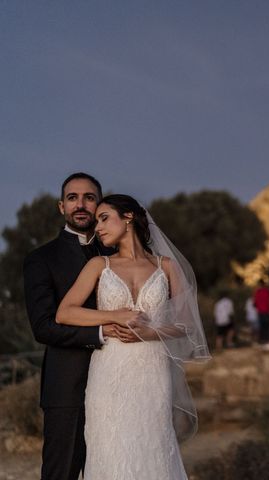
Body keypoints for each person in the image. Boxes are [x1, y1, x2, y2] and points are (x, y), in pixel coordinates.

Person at [55, 194, 210, 479]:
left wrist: (151, 333)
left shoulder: (166, 267)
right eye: (96, 220)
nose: (97, 227)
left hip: (153, 372)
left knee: (153, 446)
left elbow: (187, 324)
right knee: (110, 449)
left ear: (128, 218)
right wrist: (113, 315)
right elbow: (65, 313)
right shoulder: (99, 265)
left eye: (104, 218)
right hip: (110, 372)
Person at [23, 173, 134, 480]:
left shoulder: (119, 255)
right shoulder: (41, 259)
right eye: (73, 198)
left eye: (89, 197)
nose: (81, 204)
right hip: (68, 388)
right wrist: (101, 332)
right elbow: (43, 327)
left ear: (100, 203)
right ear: (62, 207)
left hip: (122, 383)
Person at [254, 279, 269, 351]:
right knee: (267, 327)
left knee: (262, 327)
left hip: (261, 312)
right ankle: (268, 341)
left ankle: (263, 342)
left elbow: (255, 304)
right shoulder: (267, 291)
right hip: (267, 312)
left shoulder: (258, 292)